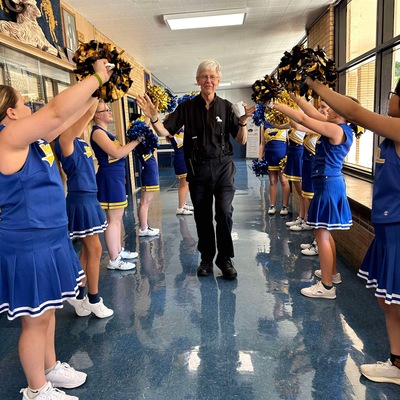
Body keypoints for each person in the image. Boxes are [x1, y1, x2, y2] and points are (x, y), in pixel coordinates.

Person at [0, 60, 112, 399]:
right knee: (34, 321)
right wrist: (94, 77)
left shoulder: (31, 139)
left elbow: (64, 119)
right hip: (27, 244)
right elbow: (52, 112)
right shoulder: (7, 137)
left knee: (47, 311)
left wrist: (97, 90)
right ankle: (36, 390)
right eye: (22, 103)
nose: (28, 107)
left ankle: (48, 369)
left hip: (48, 239)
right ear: (11, 113)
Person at [305, 76, 400, 385]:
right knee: (387, 299)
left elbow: (355, 114)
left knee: (392, 299)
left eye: (394, 93)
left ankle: (397, 363)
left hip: (397, 223)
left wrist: (314, 84)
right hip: (388, 220)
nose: (389, 99)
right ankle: (397, 361)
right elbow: (313, 117)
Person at [137, 59, 255, 279]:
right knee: (202, 217)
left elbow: (240, 140)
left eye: (212, 77)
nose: (208, 80)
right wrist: (154, 117)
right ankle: (207, 259)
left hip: (223, 168)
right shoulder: (187, 107)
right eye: (204, 77)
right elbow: (164, 131)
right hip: (198, 168)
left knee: (224, 213)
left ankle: (225, 259)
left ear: (218, 81)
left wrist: (242, 122)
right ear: (198, 80)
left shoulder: (227, 107)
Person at [272, 91, 356, 300]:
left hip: (328, 185)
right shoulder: (338, 126)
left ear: (345, 112)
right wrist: (295, 97)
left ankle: (326, 287)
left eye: (337, 106)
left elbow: (302, 119)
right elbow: (309, 113)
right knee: (325, 234)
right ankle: (332, 274)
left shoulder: (337, 130)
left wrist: (274, 104)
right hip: (327, 183)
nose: (331, 107)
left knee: (322, 235)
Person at [54, 99, 113, 319]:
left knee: (90, 250)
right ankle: (94, 299)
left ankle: (77, 294)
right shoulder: (64, 141)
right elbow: (83, 119)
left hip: (91, 197)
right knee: (96, 249)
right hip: (80, 200)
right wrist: (95, 95)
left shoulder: (82, 142)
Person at [90, 101, 142, 269]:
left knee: (117, 218)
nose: (110, 112)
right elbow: (117, 153)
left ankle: (118, 250)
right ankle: (114, 259)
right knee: (113, 219)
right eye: (106, 110)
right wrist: (136, 141)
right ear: (97, 115)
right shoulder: (97, 133)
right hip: (109, 179)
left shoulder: (106, 132)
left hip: (116, 178)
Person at [132, 116, 161, 237]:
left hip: (150, 170)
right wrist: (148, 116)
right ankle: (143, 228)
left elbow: (146, 125)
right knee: (145, 202)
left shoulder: (143, 143)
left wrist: (149, 114)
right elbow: (144, 127)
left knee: (146, 202)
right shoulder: (139, 142)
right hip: (149, 172)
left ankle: (144, 226)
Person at [258, 121, 290, 215]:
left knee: (284, 181)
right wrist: (259, 158)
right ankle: (272, 205)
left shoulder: (285, 122)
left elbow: (289, 141)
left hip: (282, 156)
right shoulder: (264, 124)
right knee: (272, 181)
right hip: (270, 156)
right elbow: (262, 143)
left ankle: (285, 206)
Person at [166, 127, 194, 215]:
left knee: (185, 184)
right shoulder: (173, 131)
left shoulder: (180, 130)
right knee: (184, 185)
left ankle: (183, 203)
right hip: (181, 159)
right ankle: (180, 207)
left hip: (184, 158)